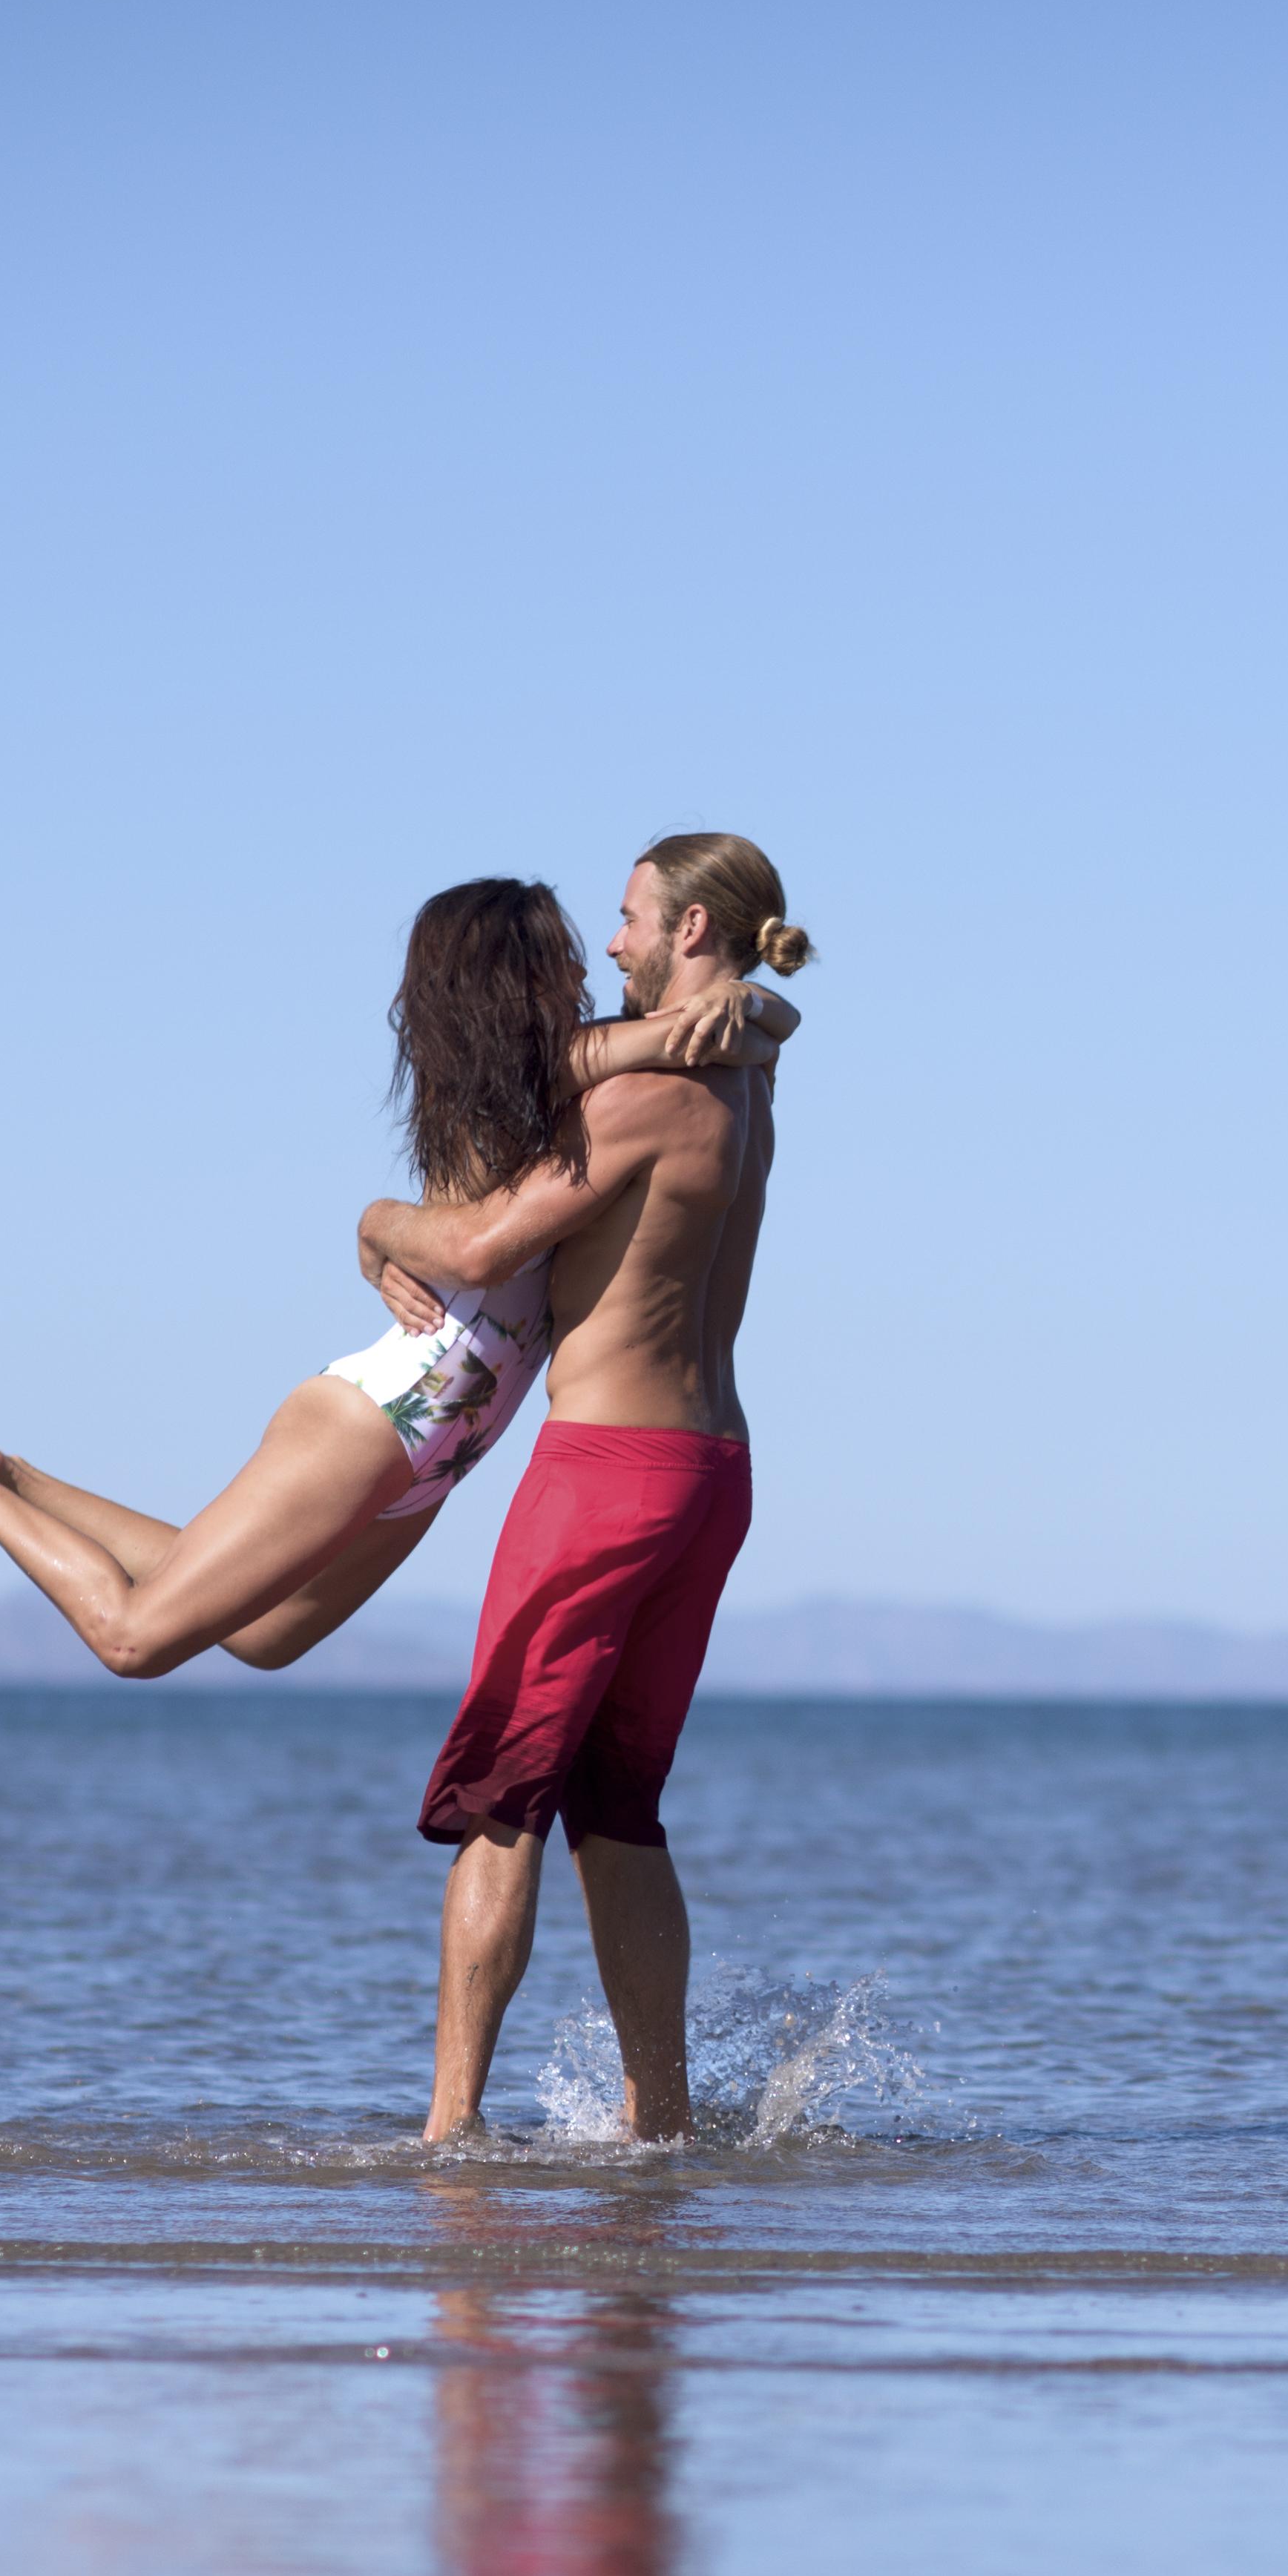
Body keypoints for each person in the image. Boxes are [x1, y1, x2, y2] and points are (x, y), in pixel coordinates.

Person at [0, 879, 786, 1678]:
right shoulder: (544, 1072)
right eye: (564, 948)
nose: (590, 959)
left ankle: (5, 1475)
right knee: (135, 1641)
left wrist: (752, 999)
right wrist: (738, 1003)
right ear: (515, 975)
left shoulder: (539, 1075)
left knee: (262, 1638)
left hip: (446, 1441)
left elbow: (736, 1033)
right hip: (388, 1412)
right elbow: (688, 1041)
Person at [360, 834, 804, 2146]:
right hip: (712, 1474)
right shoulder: (746, 1072)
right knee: (616, 1810)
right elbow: (767, 1015)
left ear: (694, 934)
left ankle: (447, 2137)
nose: (610, 946)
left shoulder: (641, 1094)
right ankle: (655, 2128)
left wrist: (376, 1223)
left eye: (628, 922)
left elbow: (484, 1243)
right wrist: (763, 1001)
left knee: (502, 1801)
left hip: (606, 1474)